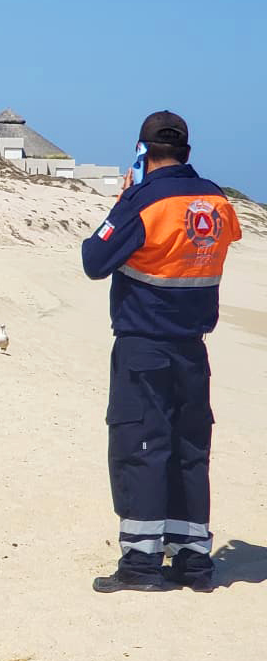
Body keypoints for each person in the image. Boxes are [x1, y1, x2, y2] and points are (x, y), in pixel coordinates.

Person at [80, 111, 241, 593]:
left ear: (142, 151)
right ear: (186, 150)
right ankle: (195, 562)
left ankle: (142, 564)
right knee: (189, 451)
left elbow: (94, 260)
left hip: (145, 344)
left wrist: (127, 198)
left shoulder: (144, 200)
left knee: (142, 447)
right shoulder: (216, 200)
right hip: (193, 348)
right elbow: (221, 237)